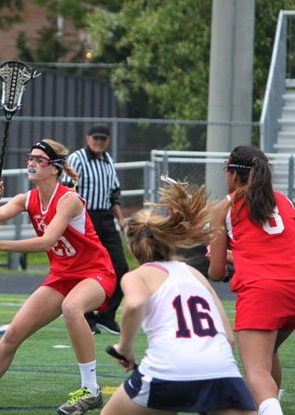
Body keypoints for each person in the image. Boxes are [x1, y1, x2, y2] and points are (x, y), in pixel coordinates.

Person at [0, 139, 115, 415]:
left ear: (55, 169)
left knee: (72, 308)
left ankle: (91, 390)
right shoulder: (27, 198)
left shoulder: (68, 199)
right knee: (13, 333)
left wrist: (2, 246)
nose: (32, 163)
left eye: (40, 160)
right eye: (30, 158)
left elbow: (47, 242)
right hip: (62, 275)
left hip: (95, 272)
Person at [102, 177, 256, 415]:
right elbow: (229, 339)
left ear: (132, 248)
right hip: (221, 371)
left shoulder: (137, 276)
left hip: (167, 372)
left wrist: (125, 348)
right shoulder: (195, 273)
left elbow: (134, 303)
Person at [208, 145, 295, 415]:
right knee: (266, 355)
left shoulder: (225, 207)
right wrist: (240, 256)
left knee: (255, 370)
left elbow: (216, 273)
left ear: (233, 175)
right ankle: (268, 405)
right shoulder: (284, 200)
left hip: (263, 290)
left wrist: (217, 254)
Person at [61, 124, 129, 335]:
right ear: (87, 138)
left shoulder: (108, 160)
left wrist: (122, 221)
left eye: (103, 139)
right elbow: (66, 191)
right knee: (85, 268)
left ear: (108, 141)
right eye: (95, 138)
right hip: (84, 219)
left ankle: (106, 316)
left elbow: (114, 196)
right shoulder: (77, 159)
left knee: (121, 269)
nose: (98, 142)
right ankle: (86, 316)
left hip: (106, 219)